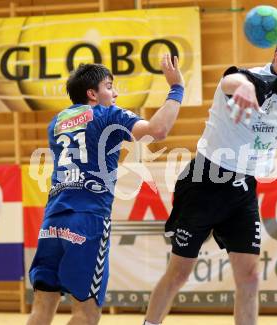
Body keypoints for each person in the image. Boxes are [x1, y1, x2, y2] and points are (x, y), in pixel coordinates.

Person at [143, 33, 277, 325]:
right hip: (204, 183)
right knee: (180, 271)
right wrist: (246, 89)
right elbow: (231, 80)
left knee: (249, 275)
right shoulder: (249, 79)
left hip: (243, 188)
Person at [27, 53, 184, 325]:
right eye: (109, 87)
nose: (116, 93)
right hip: (87, 220)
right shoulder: (107, 113)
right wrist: (176, 88)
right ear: (92, 93)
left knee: (41, 308)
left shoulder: (57, 122)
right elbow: (158, 130)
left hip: (52, 220)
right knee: (87, 313)